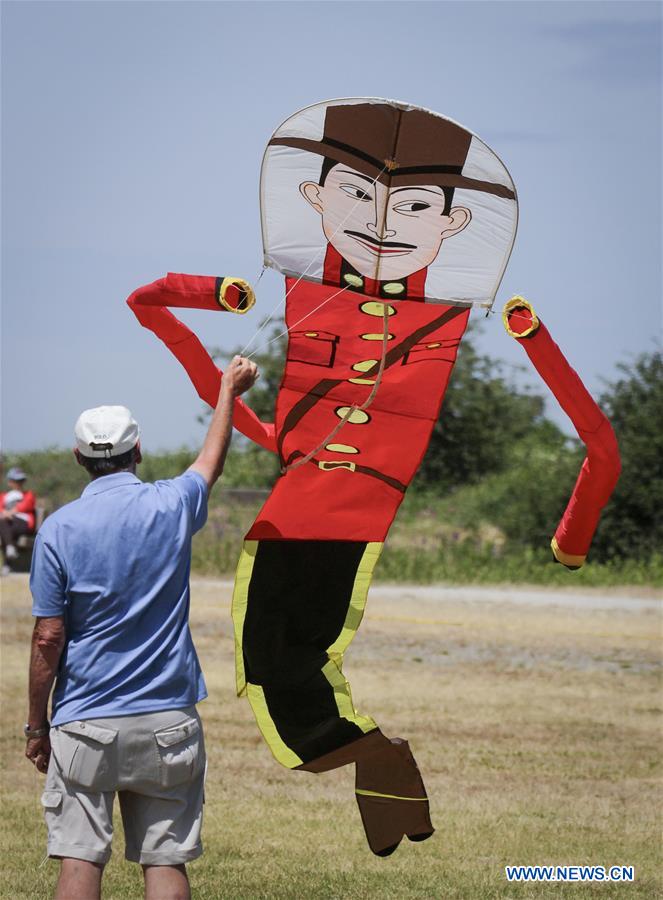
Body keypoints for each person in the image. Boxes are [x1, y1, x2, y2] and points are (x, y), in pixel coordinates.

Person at [25, 355, 258, 900]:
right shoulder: (170, 505)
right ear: (138, 451)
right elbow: (210, 462)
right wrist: (229, 390)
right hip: (168, 721)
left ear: (78, 457)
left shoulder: (57, 530)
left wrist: (37, 728)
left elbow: (48, 638)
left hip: (85, 721)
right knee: (166, 863)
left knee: (80, 861)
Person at [1, 466, 37, 574]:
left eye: (21, 480)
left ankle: (7, 563)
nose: (19, 483)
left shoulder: (29, 494)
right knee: (3, 524)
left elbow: (26, 505)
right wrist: (5, 514)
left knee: (4, 527)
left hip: (23, 523)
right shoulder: (4, 496)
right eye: (16, 480)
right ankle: (10, 549)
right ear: (10, 482)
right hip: (6, 523)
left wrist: (9, 513)